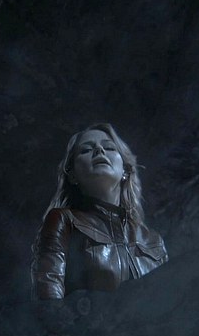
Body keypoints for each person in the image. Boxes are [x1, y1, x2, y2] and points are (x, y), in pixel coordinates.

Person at [31, 123, 168, 300]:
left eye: (109, 147)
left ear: (125, 170)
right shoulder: (63, 220)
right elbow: (48, 297)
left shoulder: (153, 240)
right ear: (72, 175)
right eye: (86, 150)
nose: (99, 150)